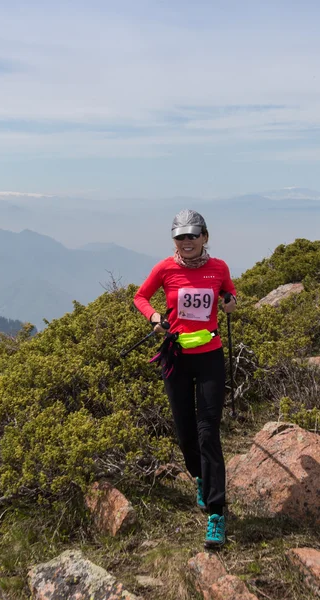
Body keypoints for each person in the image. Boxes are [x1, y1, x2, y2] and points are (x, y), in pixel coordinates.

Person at [133, 209, 237, 548]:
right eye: (180, 236)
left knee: (209, 432)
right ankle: (199, 476)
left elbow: (228, 291)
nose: (186, 242)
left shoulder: (218, 268)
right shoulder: (165, 268)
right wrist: (154, 317)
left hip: (209, 356)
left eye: (193, 235)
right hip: (175, 357)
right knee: (185, 434)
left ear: (205, 236)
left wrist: (229, 300)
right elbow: (140, 296)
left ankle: (216, 513)